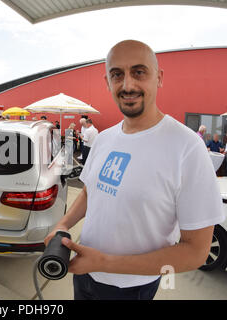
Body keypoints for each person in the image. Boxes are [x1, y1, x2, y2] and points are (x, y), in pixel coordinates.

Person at [44, 40, 225, 300]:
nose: (128, 85)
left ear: (159, 78)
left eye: (139, 72)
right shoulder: (104, 139)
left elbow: (196, 252)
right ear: (107, 82)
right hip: (83, 274)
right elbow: (89, 192)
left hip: (131, 289)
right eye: (117, 75)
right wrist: (63, 223)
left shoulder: (187, 147)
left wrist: (104, 262)